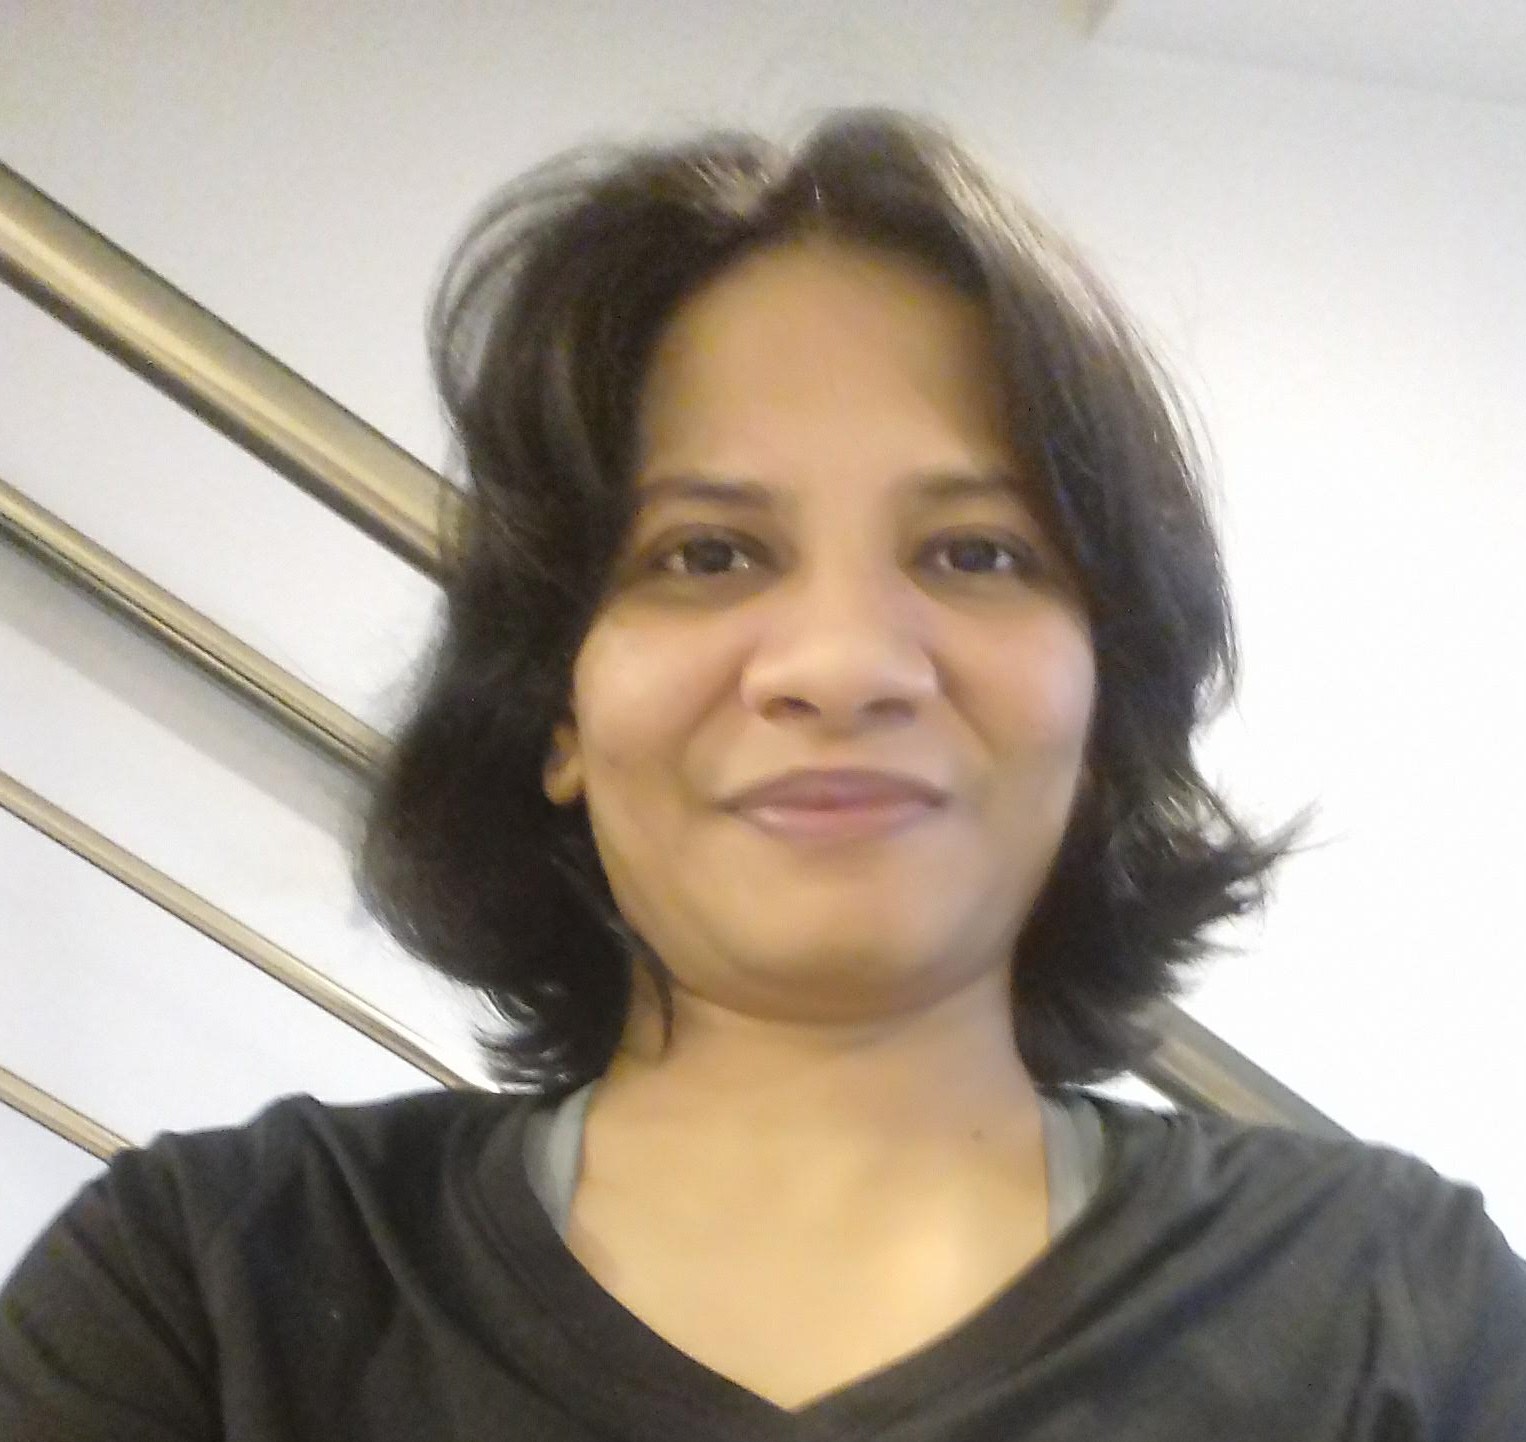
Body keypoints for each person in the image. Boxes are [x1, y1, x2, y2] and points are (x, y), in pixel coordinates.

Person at [3, 107, 1523, 1440]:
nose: (844, 661)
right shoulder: (208, 1289)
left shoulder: (1399, 1307)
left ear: (1102, 698)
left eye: (974, 552)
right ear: (554, 709)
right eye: (708, 554)